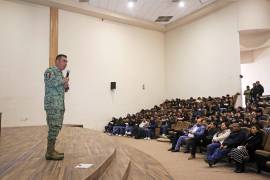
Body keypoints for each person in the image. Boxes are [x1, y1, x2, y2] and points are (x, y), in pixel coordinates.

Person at [44, 54, 69, 160]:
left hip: (59, 105)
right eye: (64, 61)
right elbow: (50, 83)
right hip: (53, 105)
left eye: (66, 61)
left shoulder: (60, 74)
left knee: (57, 127)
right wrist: (64, 81)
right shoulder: (50, 71)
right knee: (53, 127)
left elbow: (61, 87)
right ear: (57, 61)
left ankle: (52, 150)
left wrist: (66, 86)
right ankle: (49, 152)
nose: (66, 63)